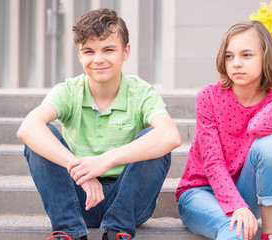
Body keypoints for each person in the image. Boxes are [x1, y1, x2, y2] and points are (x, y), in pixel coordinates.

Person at [17, 8, 181, 240]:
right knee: (39, 137)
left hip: (128, 200)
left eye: (108, 49)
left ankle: (117, 231)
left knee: (155, 139)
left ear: (126, 52)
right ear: (79, 54)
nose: (98, 59)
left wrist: (105, 161)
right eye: (89, 51)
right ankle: (68, 230)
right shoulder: (69, 90)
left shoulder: (141, 91)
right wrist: (82, 171)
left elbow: (171, 135)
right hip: (78, 199)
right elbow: (27, 128)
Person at [175, 20, 272, 240]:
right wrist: (235, 205)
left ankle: (270, 234)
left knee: (269, 146)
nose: (236, 63)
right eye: (229, 56)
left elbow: (257, 127)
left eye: (246, 55)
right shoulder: (208, 96)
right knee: (233, 228)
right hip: (199, 194)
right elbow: (212, 161)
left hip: (245, 195)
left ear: (265, 57)